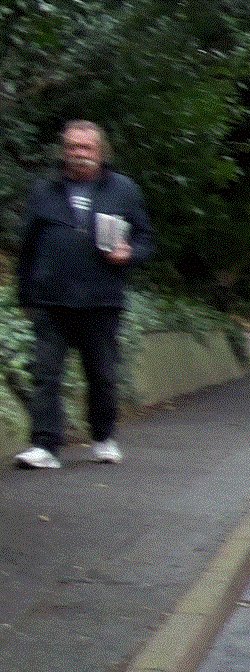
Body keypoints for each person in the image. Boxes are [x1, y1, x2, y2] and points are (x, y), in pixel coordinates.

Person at [14, 120, 154, 468]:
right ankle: (45, 446)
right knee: (46, 375)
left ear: (100, 152)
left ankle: (103, 438)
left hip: (101, 302)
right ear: (64, 151)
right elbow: (28, 247)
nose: (79, 154)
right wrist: (26, 296)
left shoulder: (123, 190)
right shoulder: (45, 190)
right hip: (52, 301)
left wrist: (129, 253)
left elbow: (146, 239)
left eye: (86, 148)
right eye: (72, 147)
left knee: (102, 376)